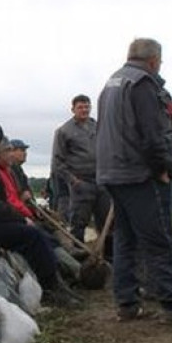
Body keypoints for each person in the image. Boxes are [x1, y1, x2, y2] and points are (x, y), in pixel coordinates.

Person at [96, 38, 172, 325]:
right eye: (160, 62)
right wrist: (162, 168)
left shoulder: (112, 83)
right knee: (160, 241)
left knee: (126, 240)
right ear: (154, 60)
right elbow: (154, 134)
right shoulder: (143, 84)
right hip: (139, 173)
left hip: (112, 171)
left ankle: (127, 304)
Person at [0, 122, 81, 306]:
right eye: (0, 139)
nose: (3, 143)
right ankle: (51, 288)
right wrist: (21, 219)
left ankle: (58, 279)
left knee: (37, 232)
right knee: (32, 235)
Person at [52, 95, 113, 252]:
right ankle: (79, 257)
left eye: (87, 107)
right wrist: (73, 181)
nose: (84, 110)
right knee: (79, 222)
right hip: (81, 183)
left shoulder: (97, 126)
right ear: (73, 109)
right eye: (80, 107)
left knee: (107, 222)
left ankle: (109, 257)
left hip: (101, 181)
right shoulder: (64, 131)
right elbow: (58, 161)